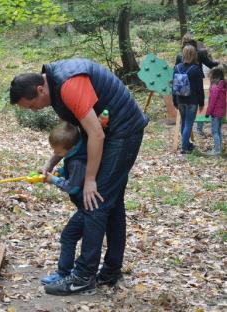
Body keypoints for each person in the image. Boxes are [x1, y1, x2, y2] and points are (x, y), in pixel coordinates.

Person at [10, 58, 148, 295]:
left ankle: (83, 276)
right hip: (109, 131)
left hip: (123, 130)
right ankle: (110, 271)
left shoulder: (69, 85)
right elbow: (72, 134)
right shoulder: (53, 86)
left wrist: (91, 179)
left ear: (40, 89)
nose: (34, 110)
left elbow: (96, 135)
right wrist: (50, 164)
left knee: (94, 202)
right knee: (110, 204)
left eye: (32, 105)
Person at [39, 122, 88, 291]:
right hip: (84, 207)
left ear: (70, 148)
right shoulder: (75, 154)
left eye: (58, 151)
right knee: (70, 237)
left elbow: (73, 186)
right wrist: (60, 172)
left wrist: (54, 180)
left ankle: (64, 273)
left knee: (68, 237)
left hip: (87, 209)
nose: (55, 154)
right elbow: (73, 174)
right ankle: (65, 272)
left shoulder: (78, 161)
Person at [175, 33, 219, 136]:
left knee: (185, 114)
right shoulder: (199, 53)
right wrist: (218, 63)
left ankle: (187, 136)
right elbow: (210, 64)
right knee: (201, 103)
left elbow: (176, 70)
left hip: (182, 85)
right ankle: (198, 129)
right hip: (197, 81)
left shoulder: (179, 55)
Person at [172, 45, 205, 154]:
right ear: (194, 55)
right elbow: (200, 89)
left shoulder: (176, 67)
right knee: (188, 124)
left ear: (183, 54)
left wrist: (175, 101)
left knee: (184, 123)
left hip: (180, 100)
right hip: (192, 101)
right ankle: (184, 148)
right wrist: (201, 103)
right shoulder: (196, 69)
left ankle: (187, 144)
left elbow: (173, 86)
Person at [205, 66, 226, 156]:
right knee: (219, 131)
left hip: (215, 113)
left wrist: (208, 112)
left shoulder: (214, 87)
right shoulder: (223, 85)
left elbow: (212, 102)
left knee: (214, 131)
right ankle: (219, 149)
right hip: (221, 112)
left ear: (214, 76)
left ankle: (217, 150)